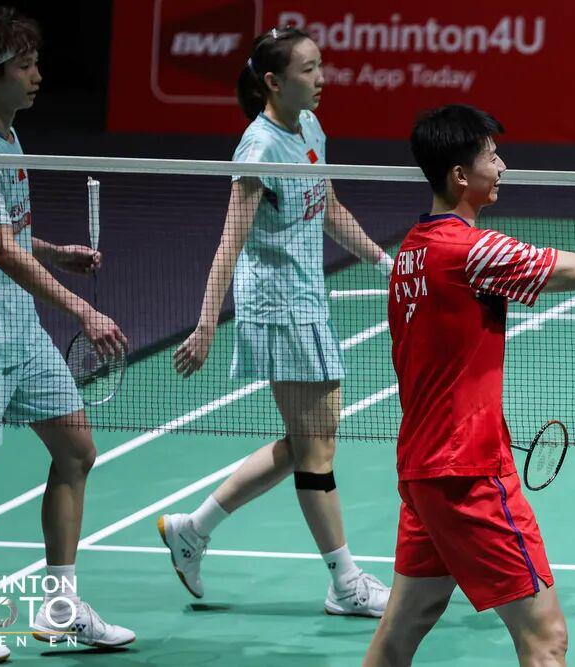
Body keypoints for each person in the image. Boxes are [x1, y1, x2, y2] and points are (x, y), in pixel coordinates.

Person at [362, 105, 575, 666]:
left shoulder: (412, 249)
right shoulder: (471, 251)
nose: (503, 166)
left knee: (401, 631)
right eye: (492, 156)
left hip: (423, 469)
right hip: (468, 473)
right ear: (461, 175)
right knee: (546, 638)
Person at [0, 7, 135, 664]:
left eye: (37, 62)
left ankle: (59, 609)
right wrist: (83, 310)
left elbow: (12, 233)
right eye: (25, 65)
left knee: (77, 452)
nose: (38, 75)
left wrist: (56, 251)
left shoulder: (9, 137)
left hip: (21, 333)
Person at [159, 27, 391, 617]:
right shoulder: (258, 149)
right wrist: (206, 324)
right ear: (273, 81)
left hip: (309, 298)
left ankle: (193, 529)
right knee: (316, 450)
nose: (321, 78)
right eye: (308, 69)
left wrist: (385, 264)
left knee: (307, 440)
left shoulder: (309, 126)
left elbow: (328, 206)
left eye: (320, 66)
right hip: (278, 308)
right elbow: (230, 242)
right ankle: (345, 583)